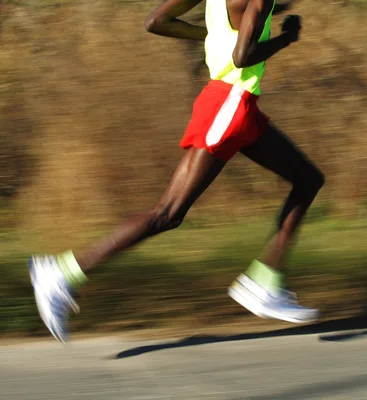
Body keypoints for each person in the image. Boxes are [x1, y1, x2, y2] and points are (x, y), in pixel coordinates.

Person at [28, 0, 325, 343]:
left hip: (236, 104)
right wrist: (287, 38)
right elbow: (243, 57)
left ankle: (265, 282)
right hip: (230, 105)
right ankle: (60, 273)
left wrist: (212, 33)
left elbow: (157, 21)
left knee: (307, 179)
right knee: (168, 213)